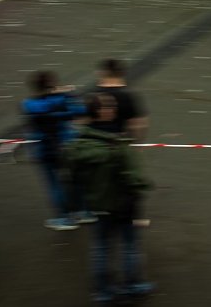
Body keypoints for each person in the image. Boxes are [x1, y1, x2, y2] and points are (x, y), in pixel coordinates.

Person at [63, 93, 154, 304]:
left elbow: (73, 176)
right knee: (129, 245)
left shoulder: (79, 144)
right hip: (123, 204)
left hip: (96, 203)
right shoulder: (117, 143)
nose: (114, 108)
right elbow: (134, 177)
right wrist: (141, 188)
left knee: (101, 247)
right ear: (102, 112)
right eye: (110, 106)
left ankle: (103, 291)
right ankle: (132, 285)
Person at [22, 70, 91, 230]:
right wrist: (68, 94)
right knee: (77, 179)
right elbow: (81, 111)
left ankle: (65, 218)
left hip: (46, 148)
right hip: (68, 144)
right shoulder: (63, 99)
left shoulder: (29, 104)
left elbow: (34, 117)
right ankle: (84, 212)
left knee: (55, 184)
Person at [93, 59, 149, 142]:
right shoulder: (128, 96)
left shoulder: (91, 95)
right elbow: (138, 124)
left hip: (94, 142)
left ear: (101, 73)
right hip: (118, 142)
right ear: (122, 73)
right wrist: (138, 141)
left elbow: (80, 120)